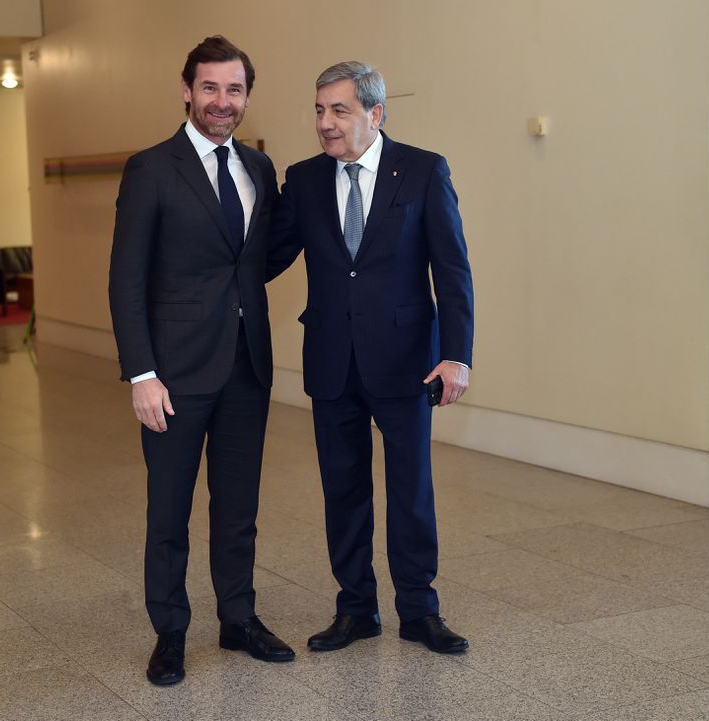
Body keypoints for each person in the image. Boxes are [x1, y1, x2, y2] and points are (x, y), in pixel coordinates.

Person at [267, 61, 474, 654]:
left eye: (339, 110)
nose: (325, 124)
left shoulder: (424, 171)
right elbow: (269, 258)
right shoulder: (303, 180)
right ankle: (356, 609)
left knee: (410, 491)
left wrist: (456, 354)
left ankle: (419, 610)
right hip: (332, 360)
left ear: (374, 114)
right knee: (343, 490)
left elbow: (452, 270)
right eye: (318, 110)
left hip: (408, 361)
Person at [109, 36, 294, 687]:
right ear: (187, 91)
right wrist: (141, 373)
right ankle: (170, 631)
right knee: (169, 510)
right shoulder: (151, 169)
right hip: (175, 374)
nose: (223, 101)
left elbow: (254, 261)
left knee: (238, 504)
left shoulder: (258, 170)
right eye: (210, 88)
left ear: (247, 96)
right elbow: (125, 280)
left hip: (246, 365)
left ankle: (238, 618)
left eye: (234, 89)